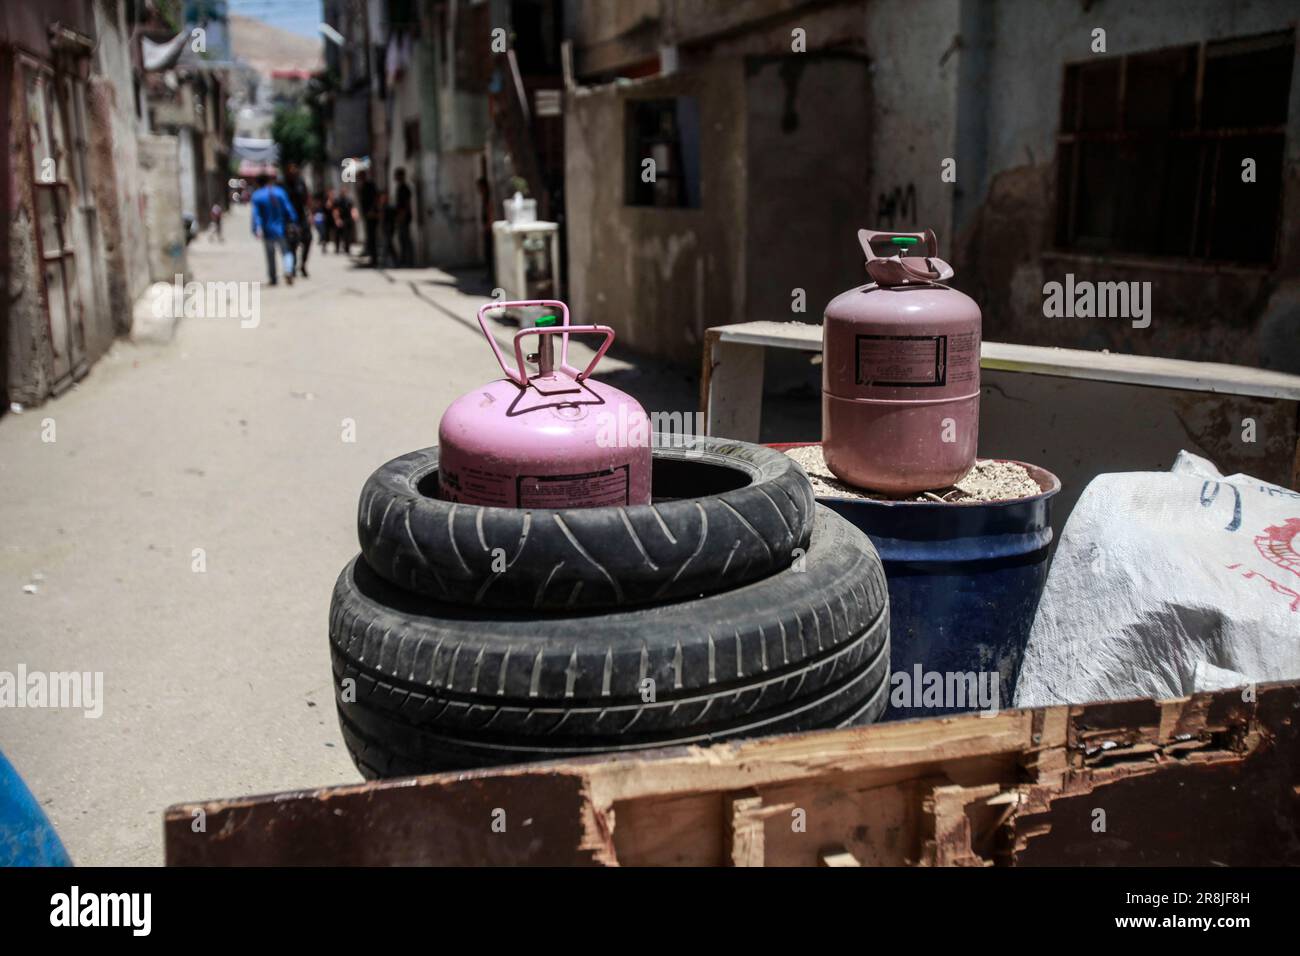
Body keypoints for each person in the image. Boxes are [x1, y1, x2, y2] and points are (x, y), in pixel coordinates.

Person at [249, 173, 297, 285]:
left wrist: (255, 229)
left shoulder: (257, 195)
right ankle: (288, 270)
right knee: (286, 252)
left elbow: (256, 215)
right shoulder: (280, 192)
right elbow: (288, 209)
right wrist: (293, 221)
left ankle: (273, 277)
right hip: (282, 229)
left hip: (268, 231)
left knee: (270, 254)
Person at [282, 162, 312, 278]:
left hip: (301, 216)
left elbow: (307, 198)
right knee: (292, 243)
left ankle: (303, 265)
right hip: (289, 219)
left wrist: (310, 214)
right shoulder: (283, 185)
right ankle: (292, 267)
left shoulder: (300, 182)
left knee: (308, 239)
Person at [393, 167, 413, 267]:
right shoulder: (400, 187)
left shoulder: (404, 188)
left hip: (404, 216)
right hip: (401, 216)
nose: (395, 177)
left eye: (396, 175)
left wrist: (402, 216)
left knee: (406, 239)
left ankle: (409, 261)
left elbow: (406, 204)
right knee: (402, 239)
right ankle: (405, 260)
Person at [359, 170, 379, 267]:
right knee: (370, 237)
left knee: (372, 237)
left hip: (372, 215)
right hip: (367, 215)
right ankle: (372, 257)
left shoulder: (370, 185)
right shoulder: (362, 186)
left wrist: (372, 210)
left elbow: (375, 198)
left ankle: (374, 259)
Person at [332, 189, 355, 254]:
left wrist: (354, 215)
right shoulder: (337, 200)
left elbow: (352, 209)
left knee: (347, 234)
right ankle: (337, 248)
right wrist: (337, 219)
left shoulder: (349, 200)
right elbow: (335, 210)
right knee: (338, 235)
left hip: (347, 219)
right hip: (340, 218)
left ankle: (347, 249)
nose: (343, 193)